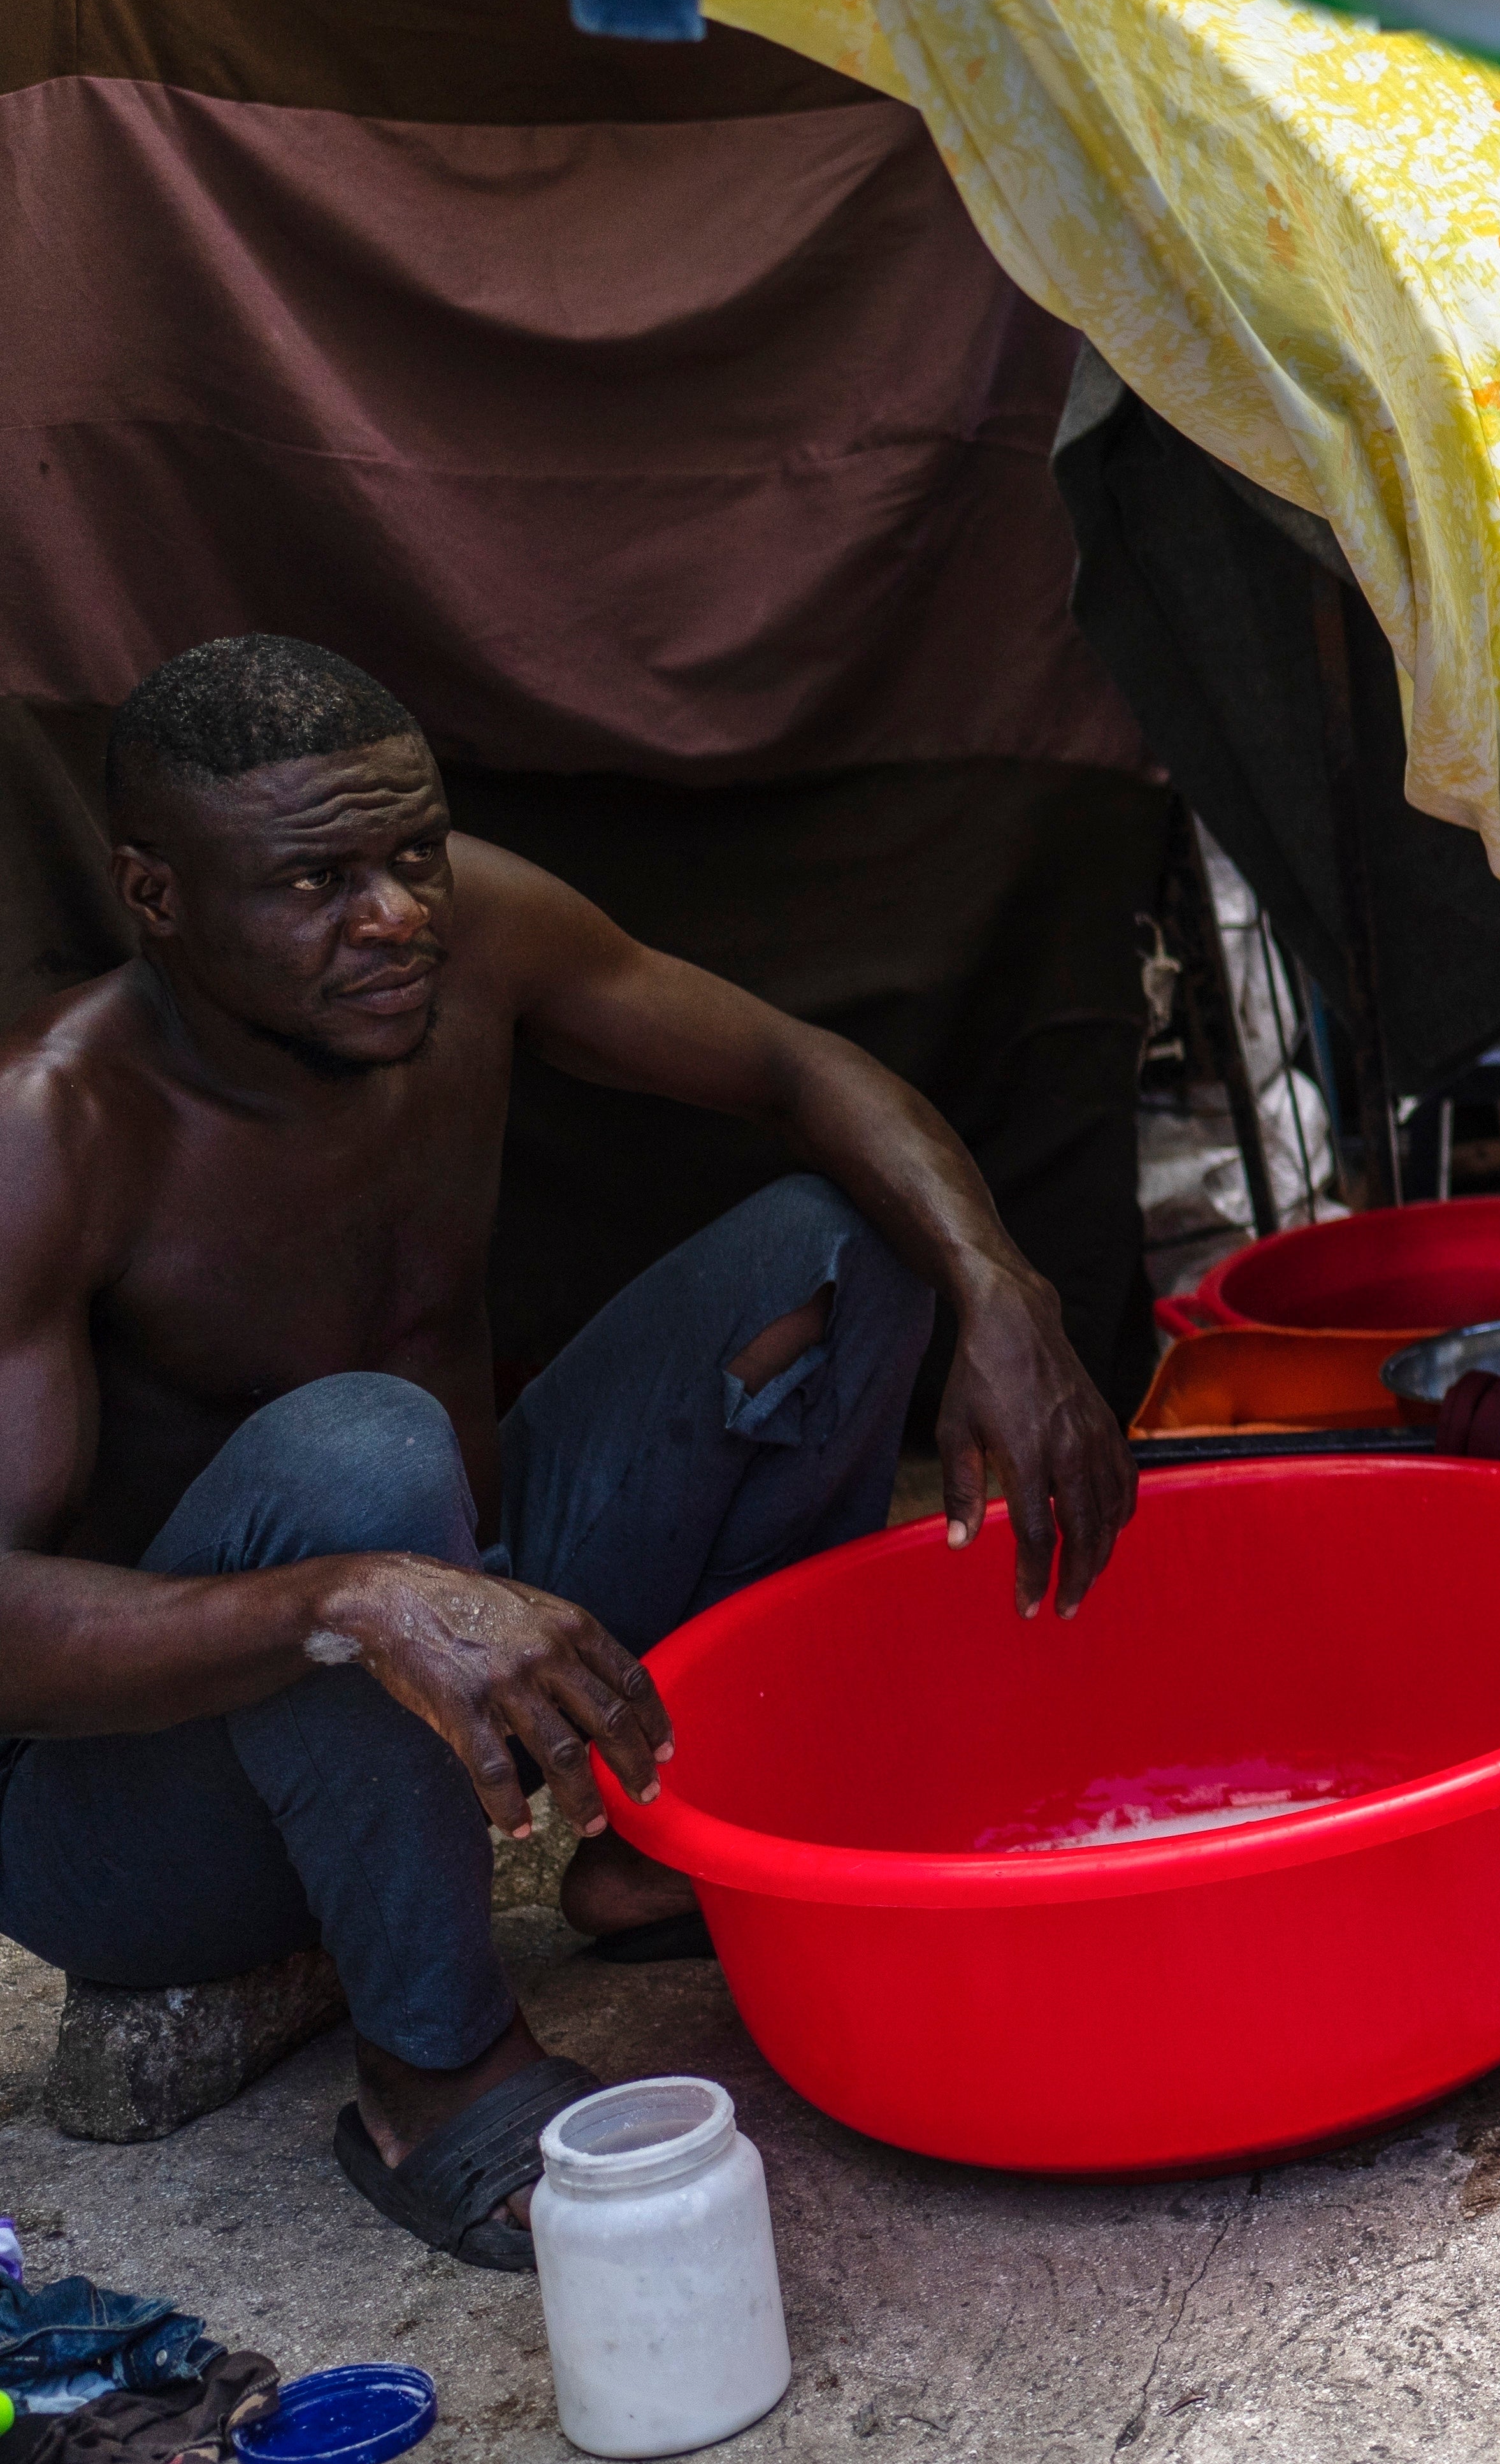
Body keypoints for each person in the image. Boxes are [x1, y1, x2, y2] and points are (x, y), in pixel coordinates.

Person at [0, 636, 1136, 2268]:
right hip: (136, 1812)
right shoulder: (54, 1130)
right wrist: (349, 1595)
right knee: (356, 1453)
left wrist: (1003, 1290)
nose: (393, 912)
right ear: (155, 894)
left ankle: (672, 1835)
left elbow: (796, 1066)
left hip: (460, 1583)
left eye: (411, 853)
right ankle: (433, 2074)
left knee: (841, 1245)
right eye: (316, 879)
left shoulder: (478, 934)